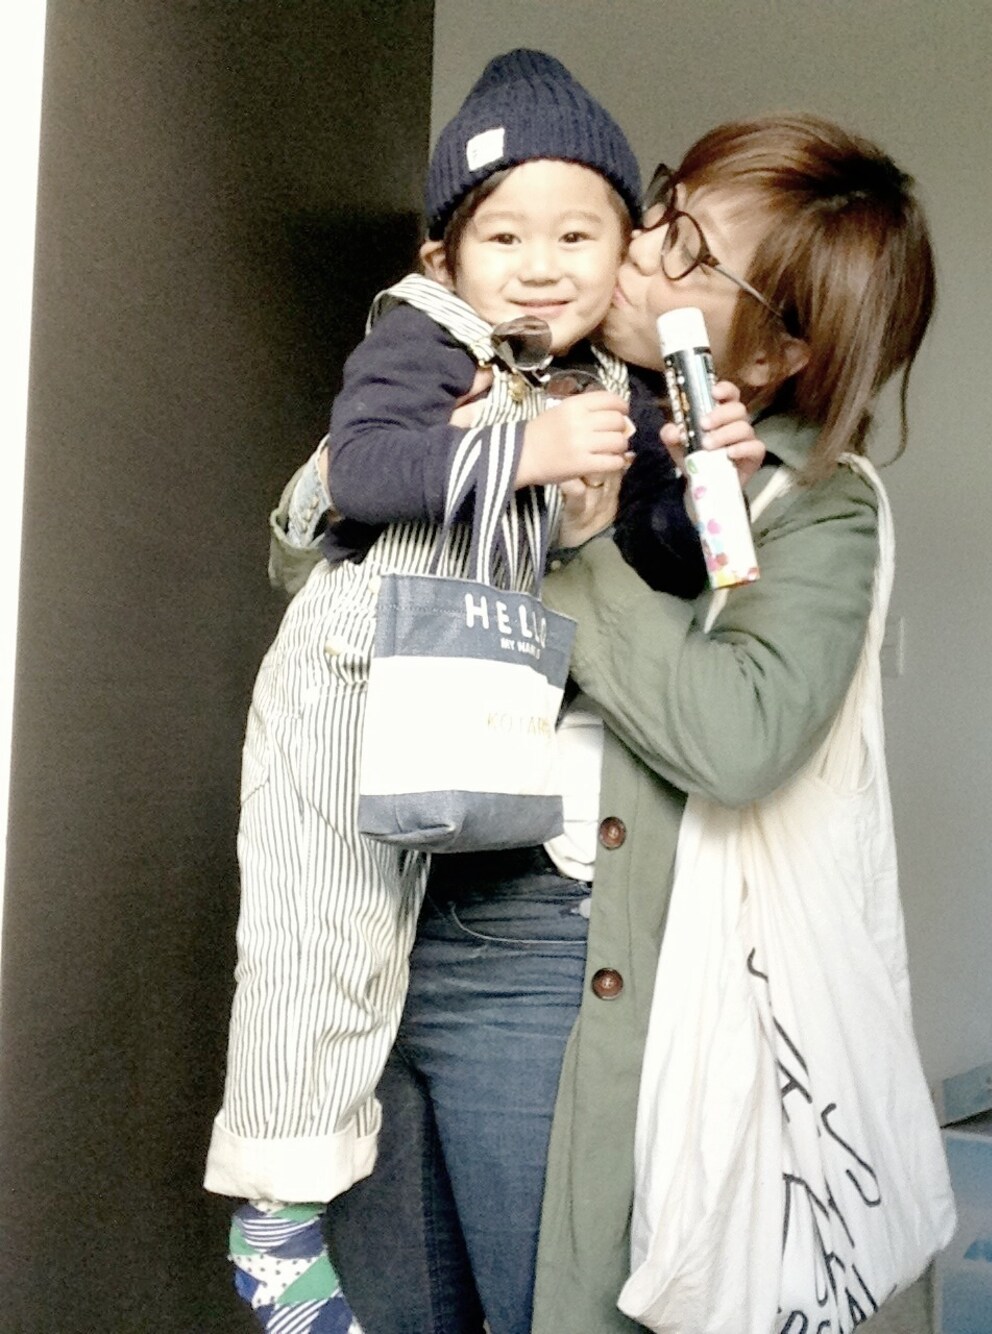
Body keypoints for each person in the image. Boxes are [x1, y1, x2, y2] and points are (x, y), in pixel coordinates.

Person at [269, 110, 937, 1334]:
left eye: (692, 254)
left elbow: (738, 736)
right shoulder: (508, 372)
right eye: (665, 210)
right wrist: (407, 459)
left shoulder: (804, 499)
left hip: (550, 948)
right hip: (379, 900)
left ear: (775, 353)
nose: (633, 247)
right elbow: (319, 571)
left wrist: (582, 538)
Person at [207, 49, 758, 1334]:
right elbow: (364, 467)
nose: (541, 264)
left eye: (578, 233)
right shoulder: (424, 335)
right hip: (352, 693)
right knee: (320, 941)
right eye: (502, 235)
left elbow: (661, 566)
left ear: (625, 248)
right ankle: (276, 1219)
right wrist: (522, 447)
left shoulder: (626, 392)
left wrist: (700, 477)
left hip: (478, 733)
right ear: (444, 256)